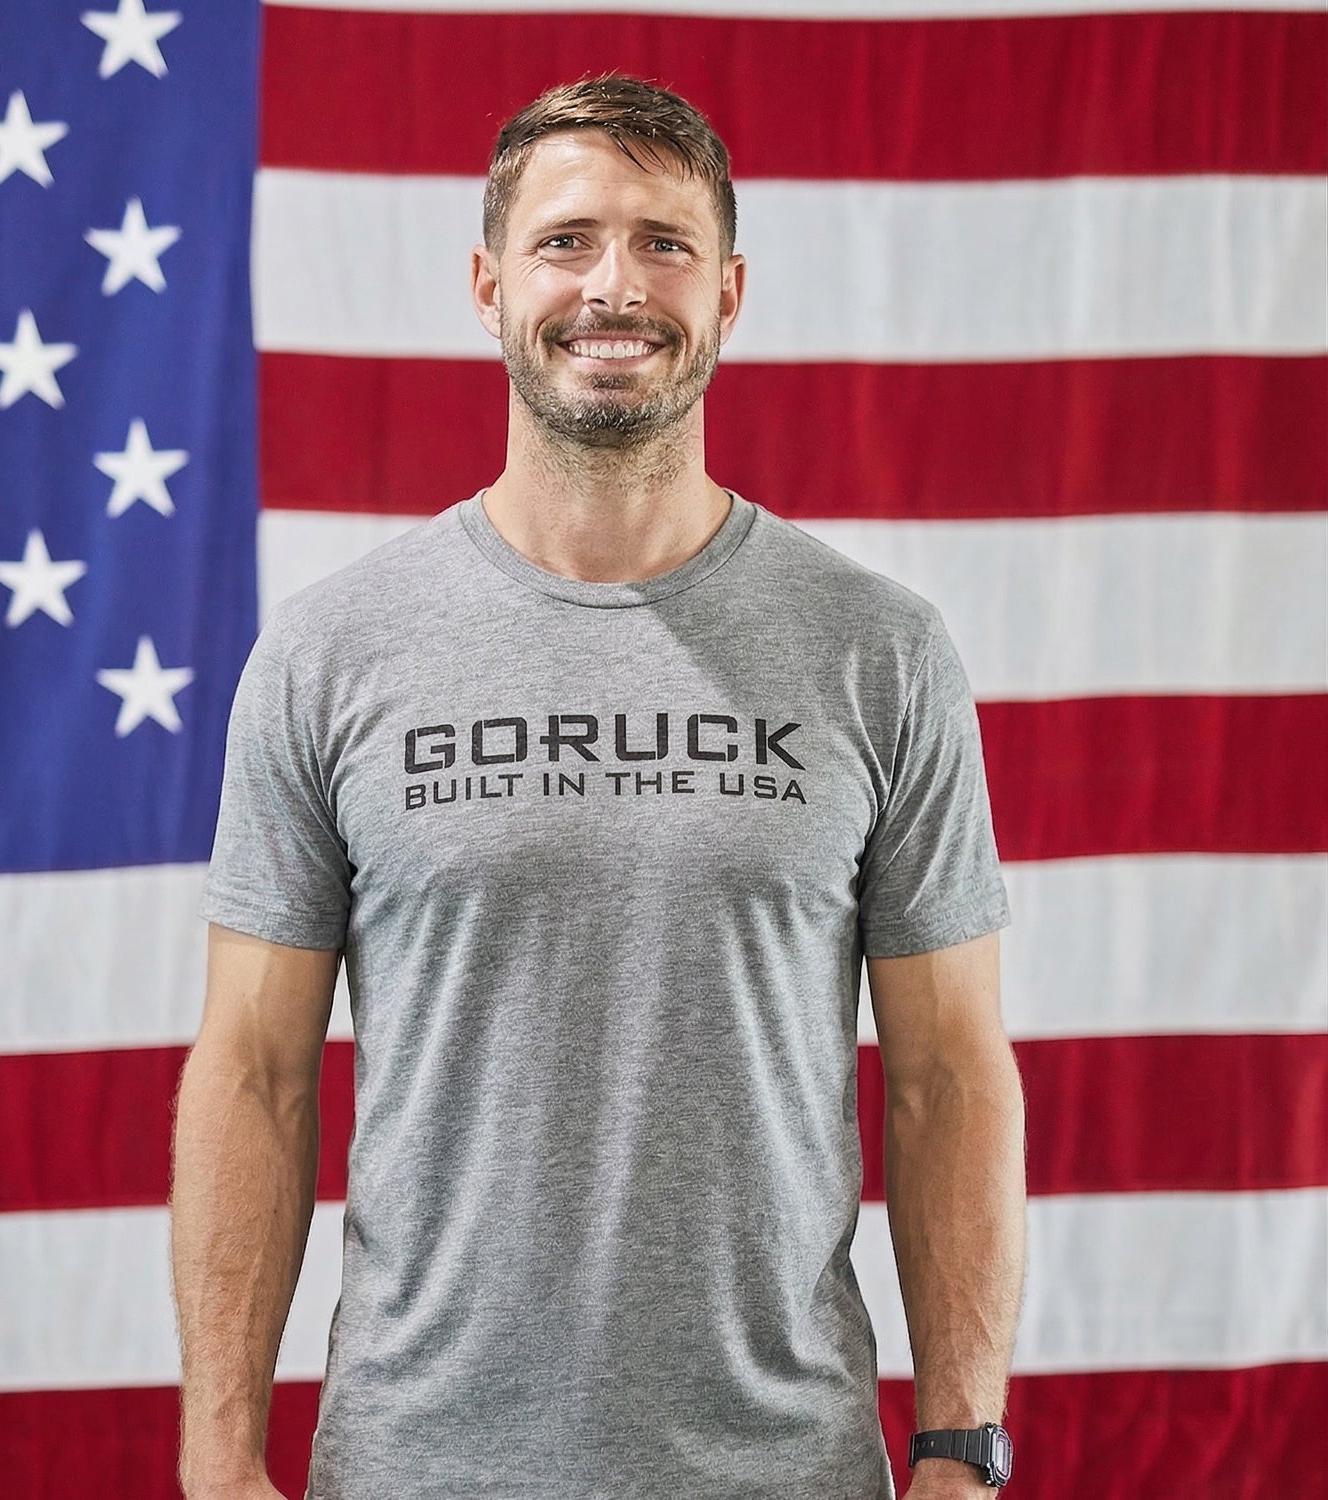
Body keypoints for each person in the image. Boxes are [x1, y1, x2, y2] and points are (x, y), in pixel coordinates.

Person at [171, 75, 1026, 1500]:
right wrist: (215, 1461)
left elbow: (948, 1076)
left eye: (664, 243)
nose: (613, 286)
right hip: (413, 1465)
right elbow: (253, 1071)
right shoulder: (333, 652)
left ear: (731, 292)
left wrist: (959, 1448)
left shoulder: (880, 651)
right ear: (489, 283)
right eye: (567, 241)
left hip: (785, 1468)